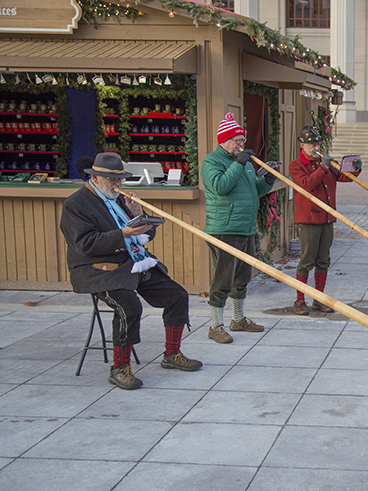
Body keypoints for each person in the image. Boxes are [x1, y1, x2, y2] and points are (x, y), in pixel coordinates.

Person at [60, 152, 202, 390]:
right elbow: (85, 244)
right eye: (112, 180)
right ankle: (120, 368)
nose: (118, 185)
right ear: (96, 178)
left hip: (132, 262)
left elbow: (144, 235)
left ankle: (171, 354)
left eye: (120, 180)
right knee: (129, 306)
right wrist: (124, 233)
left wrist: (138, 215)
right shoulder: (76, 204)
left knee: (177, 295)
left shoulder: (118, 199)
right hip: (97, 269)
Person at [201, 112, 276, 343]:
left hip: (245, 228)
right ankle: (215, 325)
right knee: (222, 278)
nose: (241, 144)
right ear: (223, 141)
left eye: (243, 141)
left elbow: (254, 191)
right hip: (224, 228)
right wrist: (239, 162)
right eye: (237, 141)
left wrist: (268, 179)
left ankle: (238, 318)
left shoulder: (243, 163)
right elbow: (220, 187)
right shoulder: (211, 162)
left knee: (242, 276)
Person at [289, 125, 361, 315]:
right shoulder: (297, 165)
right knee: (306, 260)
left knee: (323, 260)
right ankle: (300, 300)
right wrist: (323, 167)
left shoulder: (326, 162)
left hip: (327, 218)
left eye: (317, 143)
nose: (315, 147)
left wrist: (354, 169)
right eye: (310, 144)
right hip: (308, 219)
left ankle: (319, 298)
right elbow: (306, 184)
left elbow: (344, 178)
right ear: (302, 145)